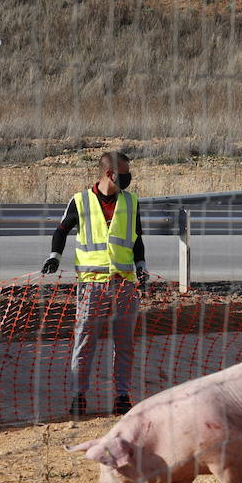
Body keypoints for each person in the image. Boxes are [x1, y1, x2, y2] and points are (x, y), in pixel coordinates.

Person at [40, 151, 148, 417]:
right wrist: (55, 256)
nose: (128, 177)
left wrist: (142, 267)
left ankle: (122, 396)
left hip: (124, 284)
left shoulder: (131, 201)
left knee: (124, 344)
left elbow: (136, 239)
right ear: (110, 174)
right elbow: (61, 230)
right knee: (85, 341)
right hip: (92, 285)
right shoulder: (80, 201)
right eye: (124, 172)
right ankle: (79, 396)